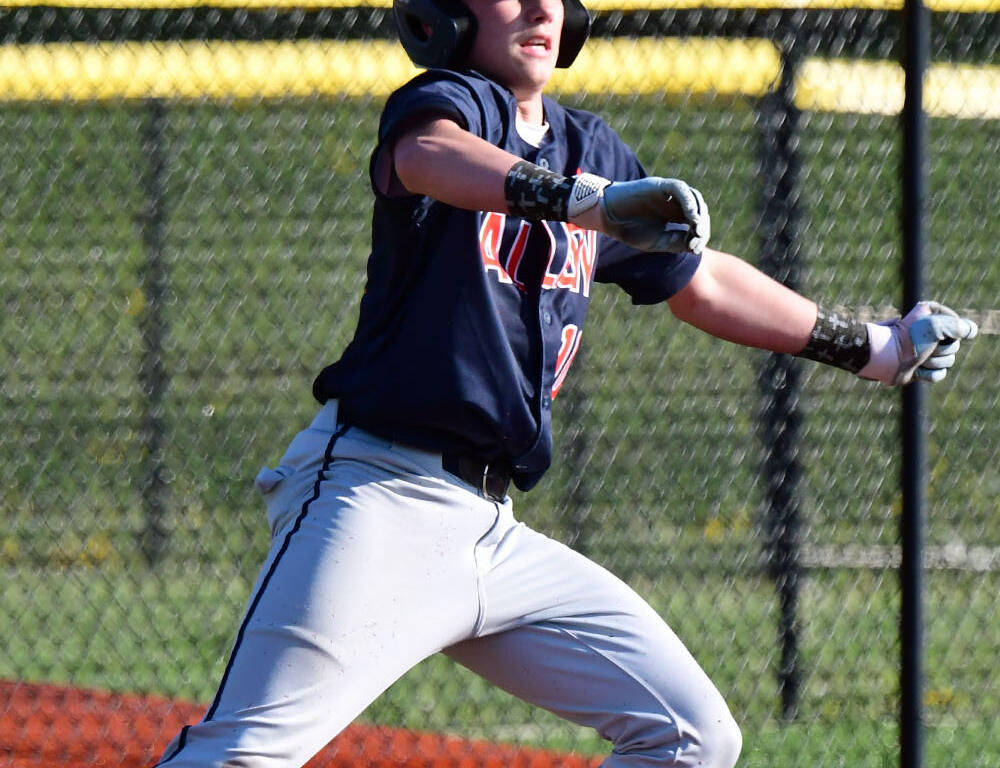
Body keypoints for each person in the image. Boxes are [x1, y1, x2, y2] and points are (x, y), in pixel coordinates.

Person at [153, 0, 978, 765]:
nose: (541, 6)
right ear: (447, 10)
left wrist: (872, 347)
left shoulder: (591, 148)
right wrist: (587, 203)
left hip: (492, 530)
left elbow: (701, 281)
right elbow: (426, 156)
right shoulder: (454, 103)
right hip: (376, 497)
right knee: (238, 757)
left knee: (692, 736)